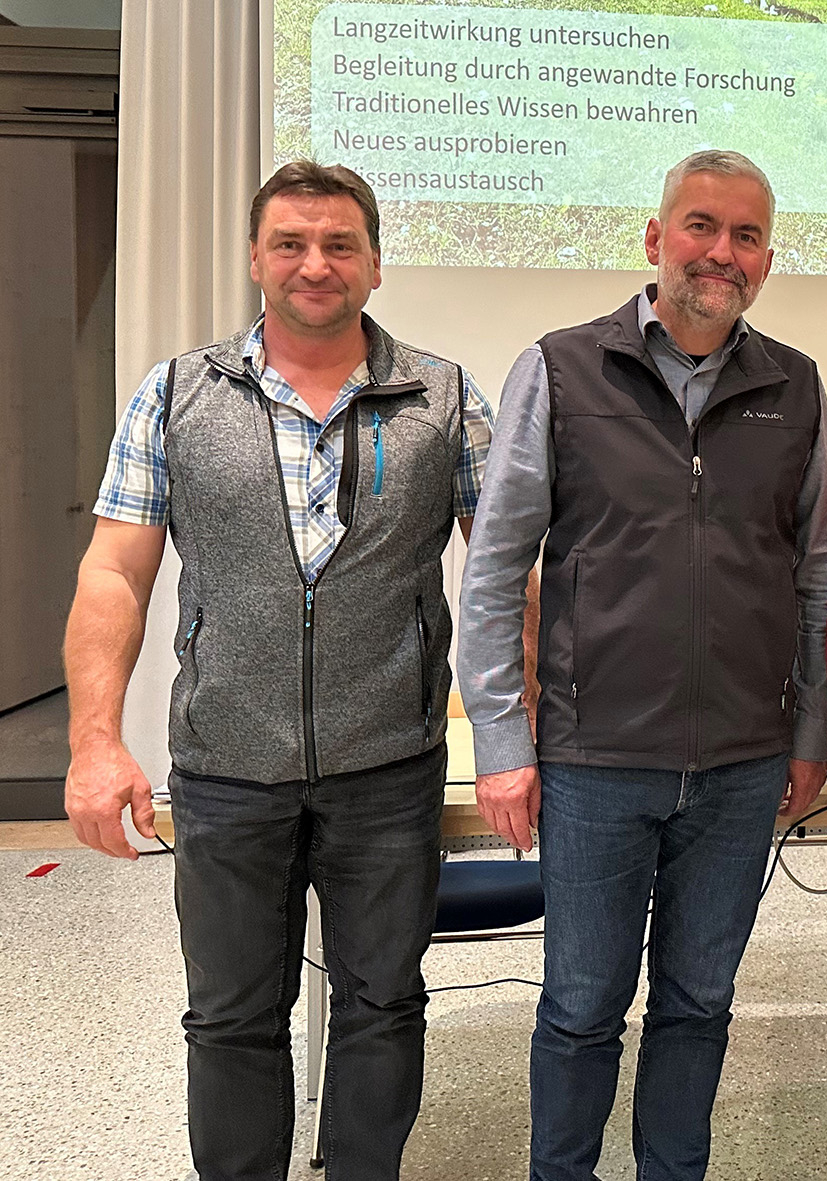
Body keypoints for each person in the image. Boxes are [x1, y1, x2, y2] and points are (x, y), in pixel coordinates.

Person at [62, 161, 494, 1179]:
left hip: (387, 765)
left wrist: (527, 729)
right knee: (230, 1016)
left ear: (375, 264)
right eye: (290, 243)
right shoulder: (177, 393)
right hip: (226, 766)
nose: (315, 264)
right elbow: (114, 573)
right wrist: (94, 740)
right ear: (255, 259)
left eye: (340, 244)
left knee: (383, 1002)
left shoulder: (443, 397)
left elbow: (509, 575)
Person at [457, 149, 827, 1181]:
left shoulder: (795, 386)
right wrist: (500, 741)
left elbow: (821, 578)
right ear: (654, 238)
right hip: (596, 759)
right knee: (582, 1006)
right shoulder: (561, 368)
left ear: (766, 259)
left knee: (698, 1002)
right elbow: (494, 569)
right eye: (701, 226)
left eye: (747, 235)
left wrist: (811, 731)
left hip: (743, 762)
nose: (722, 252)